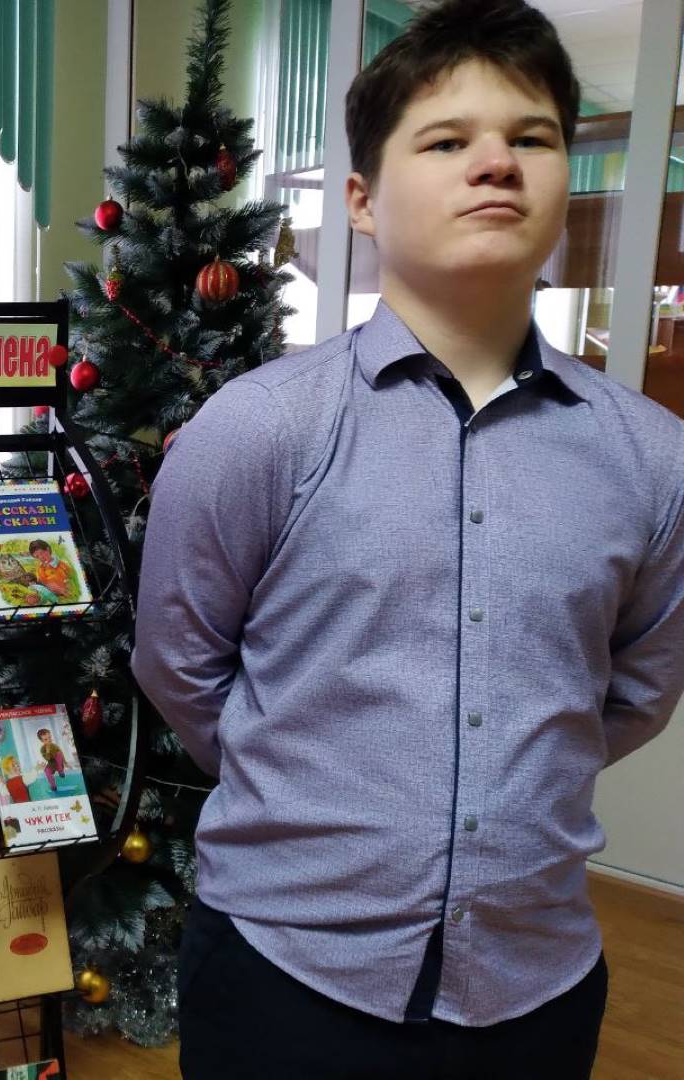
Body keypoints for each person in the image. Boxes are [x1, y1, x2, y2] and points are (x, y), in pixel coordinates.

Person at [132, 2, 684, 1077]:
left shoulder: (652, 458)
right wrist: (308, 784)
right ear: (363, 200)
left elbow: (633, 693)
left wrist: (511, 778)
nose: (497, 164)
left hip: (535, 980)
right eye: (446, 140)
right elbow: (178, 663)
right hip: (283, 969)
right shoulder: (260, 429)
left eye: (532, 138)